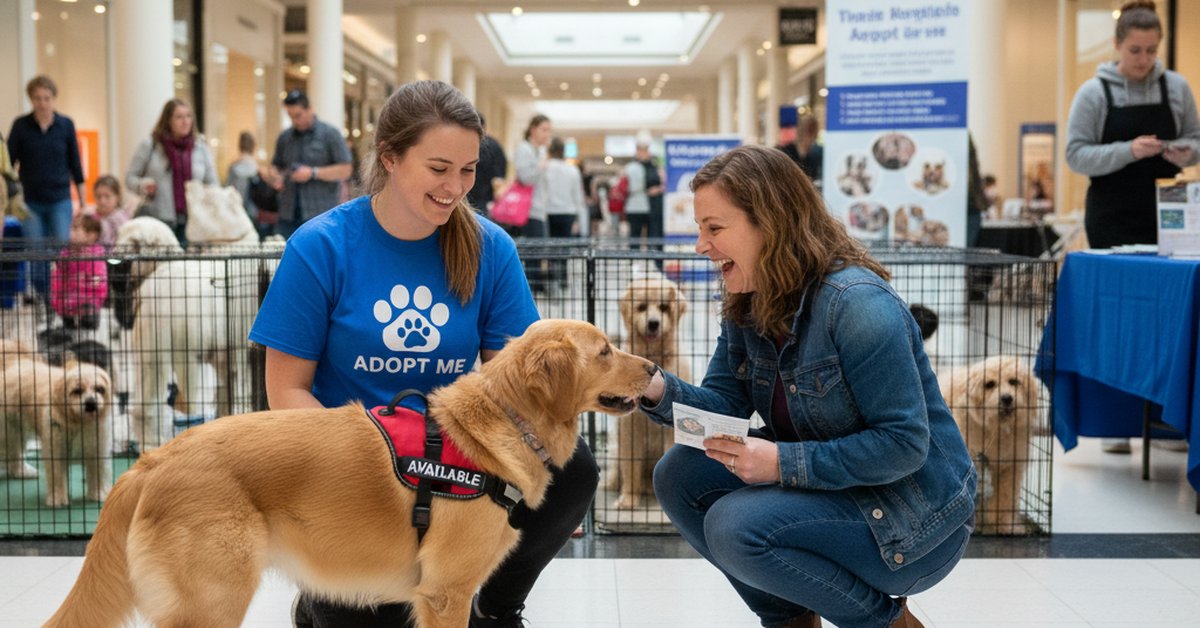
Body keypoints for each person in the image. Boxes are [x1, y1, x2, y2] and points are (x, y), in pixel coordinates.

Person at [248, 80, 598, 628]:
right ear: (389, 157)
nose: (455, 186)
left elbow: (517, 382)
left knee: (573, 468)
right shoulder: (319, 246)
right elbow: (285, 390)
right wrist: (365, 463)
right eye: (439, 168)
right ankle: (319, 601)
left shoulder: (490, 248)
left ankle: (491, 607)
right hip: (357, 470)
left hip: (454, 461)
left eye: (467, 170)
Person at [639, 145, 975, 628]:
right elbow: (722, 410)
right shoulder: (748, 301)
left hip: (915, 518)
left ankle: (887, 622)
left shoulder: (857, 306)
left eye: (714, 229)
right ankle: (791, 619)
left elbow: (904, 445)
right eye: (700, 229)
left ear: (769, 224)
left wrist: (781, 463)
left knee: (736, 528)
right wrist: (649, 386)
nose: (700, 246)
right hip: (837, 489)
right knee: (680, 473)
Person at [1065, 0, 1198, 454]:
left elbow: (1196, 142)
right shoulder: (1093, 93)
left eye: (1151, 50)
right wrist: (1128, 151)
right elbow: (1076, 155)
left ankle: (1167, 419)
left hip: (1167, 216)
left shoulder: (1176, 87)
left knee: (1165, 320)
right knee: (1117, 320)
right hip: (1111, 217)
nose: (1144, 60)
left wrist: (1185, 152)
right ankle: (1114, 426)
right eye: (1136, 50)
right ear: (1117, 46)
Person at [7, 75, 86, 305]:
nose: (42, 103)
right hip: (30, 202)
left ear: (53, 98)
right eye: (37, 98)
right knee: (36, 252)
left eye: (46, 98)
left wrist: (81, 200)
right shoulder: (21, 126)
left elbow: (75, 163)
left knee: (61, 248)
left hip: (60, 199)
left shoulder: (66, 124)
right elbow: (9, 164)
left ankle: (61, 293)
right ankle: (44, 298)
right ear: (31, 99)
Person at [126, 98, 219, 243]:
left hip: (193, 221)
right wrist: (144, 185)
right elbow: (130, 178)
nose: (185, 121)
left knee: (190, 265)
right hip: (158, 220)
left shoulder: (200, 148)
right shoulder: (150, 145)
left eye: (188, 116)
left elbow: (213, 184)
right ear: (168, 120)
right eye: (179, 117)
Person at [269, 90, 354, 238]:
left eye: (298, 115)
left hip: (320, 214)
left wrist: (313, 173)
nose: (295, 121)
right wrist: (274, 175)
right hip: (288, 215)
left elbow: (346, 169)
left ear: (310, 109)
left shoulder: (330, 134)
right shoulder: (285, 137)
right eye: (290, 116)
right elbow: (276, 166)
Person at [536, 137, 588, 290]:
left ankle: (551, 278)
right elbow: (577, 196)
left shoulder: (545, 168)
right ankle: (563, 279)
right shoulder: (572, 170)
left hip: (549, 212)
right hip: (568, 212)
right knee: (564, 246)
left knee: (550, 246)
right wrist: (580, 218)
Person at [512, 113, 552, 289]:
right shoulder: (525, 149)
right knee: (532, 252)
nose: (547, 134)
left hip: (538, 209)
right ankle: (528, 289)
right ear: (533, 129)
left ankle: (532, 288)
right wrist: (540, 166)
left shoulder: (540, 151)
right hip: (527, 210)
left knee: (539, 252)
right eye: (544, 129)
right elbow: (525, 177)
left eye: (549, 130)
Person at [50, 213, 106, 331]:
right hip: (68, 300)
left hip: (90, 301)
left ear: (91, 235)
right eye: (71, 228)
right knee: (69, 328)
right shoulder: (66, 253)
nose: (71, 233)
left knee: (89, 326)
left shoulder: (96, 255)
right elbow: (59, 274)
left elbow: (98, 281)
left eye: (76, 229)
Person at [226, 130, 274, 239]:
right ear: (253, 146)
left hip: (236, 210)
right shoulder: (259, 168)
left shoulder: (234, 167)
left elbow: (228, 190)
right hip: (255, 211)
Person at [465, 114, 508, 218]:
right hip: (484, 199)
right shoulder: (494, 145)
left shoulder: (462, 144)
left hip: (464, 196)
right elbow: (499, 176)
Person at [777, 113, 824, 185]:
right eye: (804, 128)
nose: (805, 133)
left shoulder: (819, 152)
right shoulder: (785, 150)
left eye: (809, 130)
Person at [90, 175, 132, 249]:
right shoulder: (91, 219)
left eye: (107, 196)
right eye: (98, 196)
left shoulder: (122, 219)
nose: (102, 201)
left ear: (117, 197)